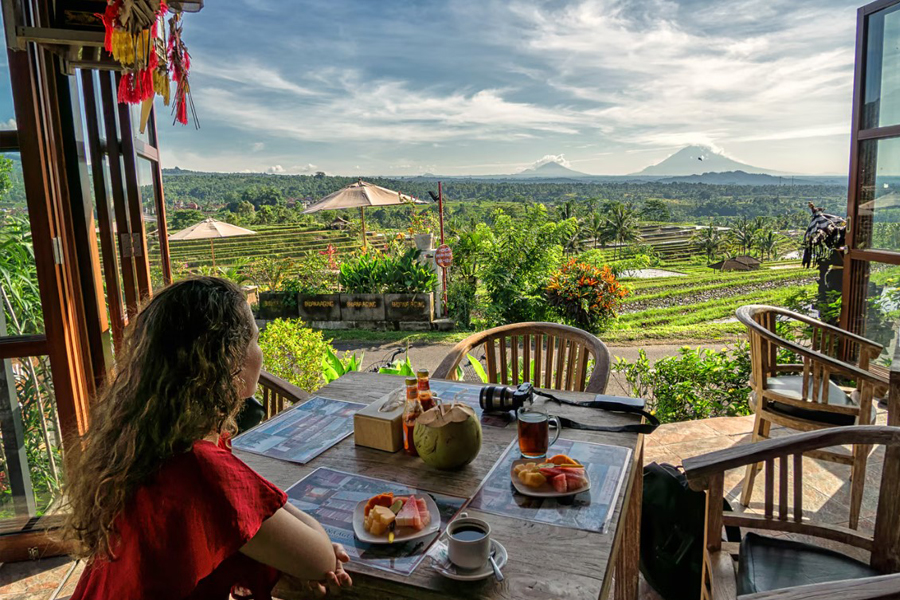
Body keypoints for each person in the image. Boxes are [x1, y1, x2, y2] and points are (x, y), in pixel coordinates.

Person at [63, 277, 352, 599]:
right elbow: (320, 560)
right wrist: (310, 547)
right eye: (255, 340)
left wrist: (287, 547)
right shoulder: (200, 466)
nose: (259, 352)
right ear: (228, 359)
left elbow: (251, 516)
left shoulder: (144, 445)